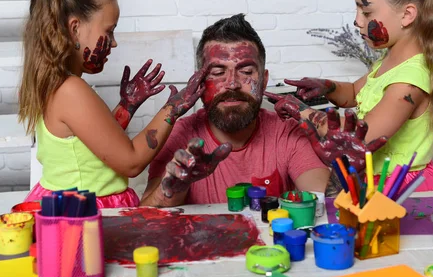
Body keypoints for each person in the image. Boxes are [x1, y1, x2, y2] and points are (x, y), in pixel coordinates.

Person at [268, 0, 433, 194]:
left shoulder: (410, 81)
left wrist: (301, 111)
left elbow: (360, 139)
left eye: (367, 12)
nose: (357, 21)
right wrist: (326, 86)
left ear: (407, 15)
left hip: (400, 189)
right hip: (375, 179)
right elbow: (353, 93)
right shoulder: (388, 62)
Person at [18, 0, 207, 208]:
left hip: (72, 203)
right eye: (109, 31)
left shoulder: (55, 84)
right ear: (75, 28)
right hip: (84, 214)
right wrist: (172, 108)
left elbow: (96, 146)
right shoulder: (71, 90)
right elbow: (130, 162)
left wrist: (127, 106)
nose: (114, 42)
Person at [140, 14, 342, 207]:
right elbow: (144, 218)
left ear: (263, 82)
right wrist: (172, 190)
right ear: (198, 82)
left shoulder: (286, 132)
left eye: (246, 72)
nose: (232, 84)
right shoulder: (177, 135)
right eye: (218, 73)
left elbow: (326, 203)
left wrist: (344, 162)